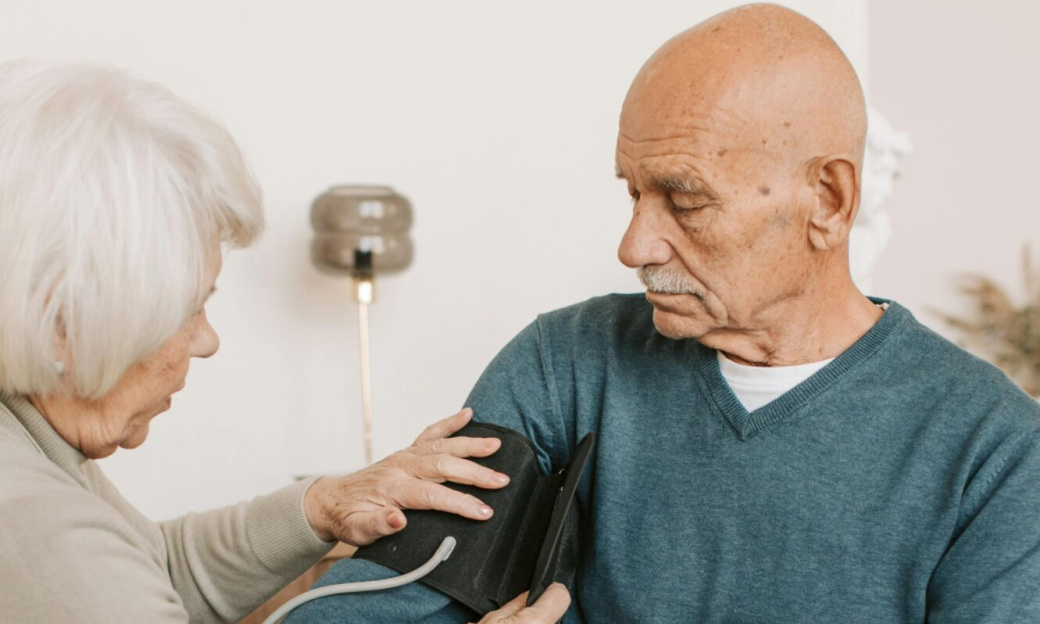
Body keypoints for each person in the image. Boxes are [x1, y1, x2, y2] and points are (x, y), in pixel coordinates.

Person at [283, 4, 1040, 623]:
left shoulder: (995, 452)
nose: (634, 245)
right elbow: (366, 609)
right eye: (633, 193)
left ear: (829, 201)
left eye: (685, 200)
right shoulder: (565, 365)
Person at [0, 59, 564, 624]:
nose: (207, 340)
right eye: (188, 309)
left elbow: (145, 564)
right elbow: (95, 578)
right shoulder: (33, 535)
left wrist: (320, 507)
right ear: (62, 324)